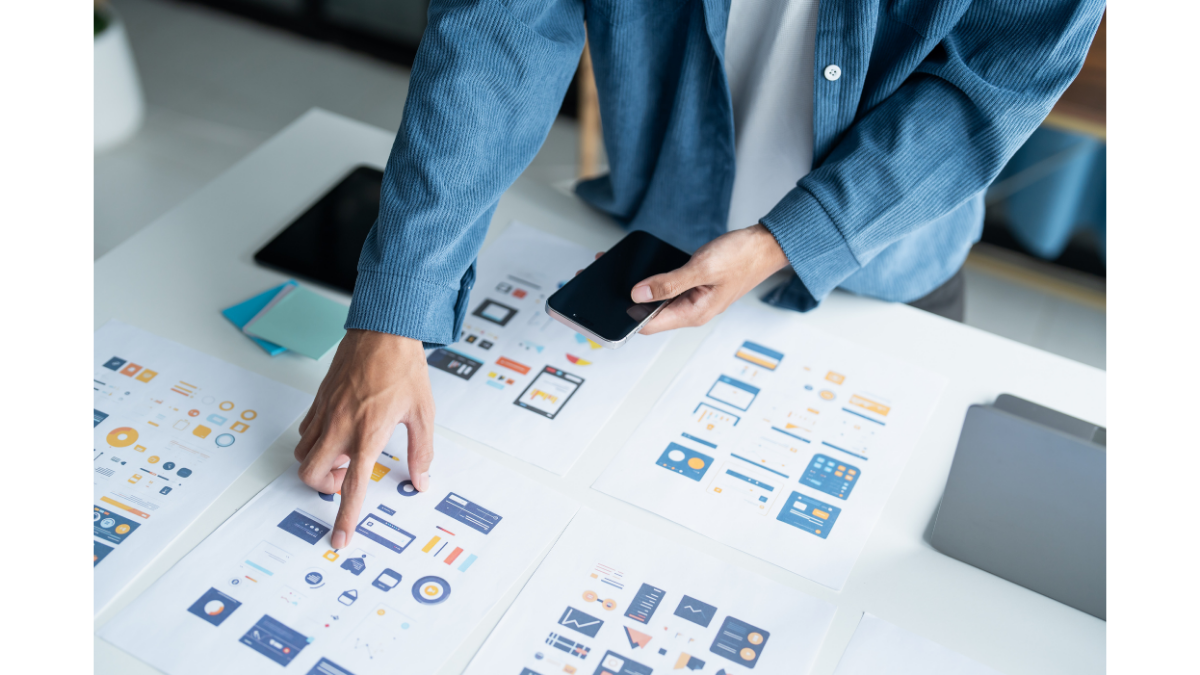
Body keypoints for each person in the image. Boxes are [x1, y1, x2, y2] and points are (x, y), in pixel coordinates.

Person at [295, 0, 1106, 549]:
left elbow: (993, 81)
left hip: (881, 264)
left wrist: (793, 236)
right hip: (658, 226)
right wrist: (397, 305)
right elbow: (500, 28)